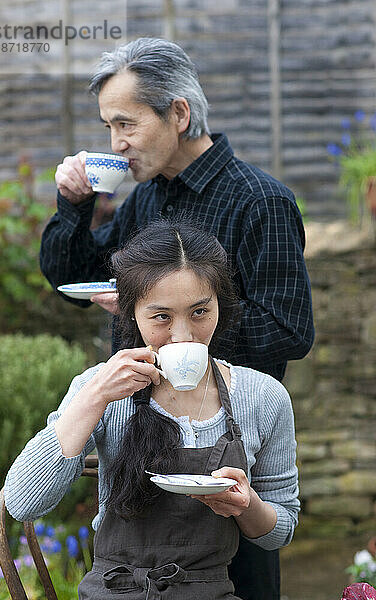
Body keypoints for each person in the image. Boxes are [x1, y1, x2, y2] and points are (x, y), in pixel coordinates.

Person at [39, 37, 314, 599]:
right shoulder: (146, 201)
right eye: (108, 126)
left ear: (179, 114)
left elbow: (290, 329)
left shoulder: (261, 201)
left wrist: (178, 329)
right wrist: (75, 205)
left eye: (126, 124)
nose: (116, 143)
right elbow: (76, 277)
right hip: (144, 450)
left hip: (235, 466)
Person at [6, 220, 300, 600]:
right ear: (132, 314)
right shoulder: (102, 389)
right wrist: (94, 397)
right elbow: (22, 503)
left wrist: (247, 506)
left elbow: (282, 529)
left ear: (219, 307)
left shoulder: (263, 396)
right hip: (114, 590)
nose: (183, 335)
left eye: (199, 312)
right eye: (162, 316)